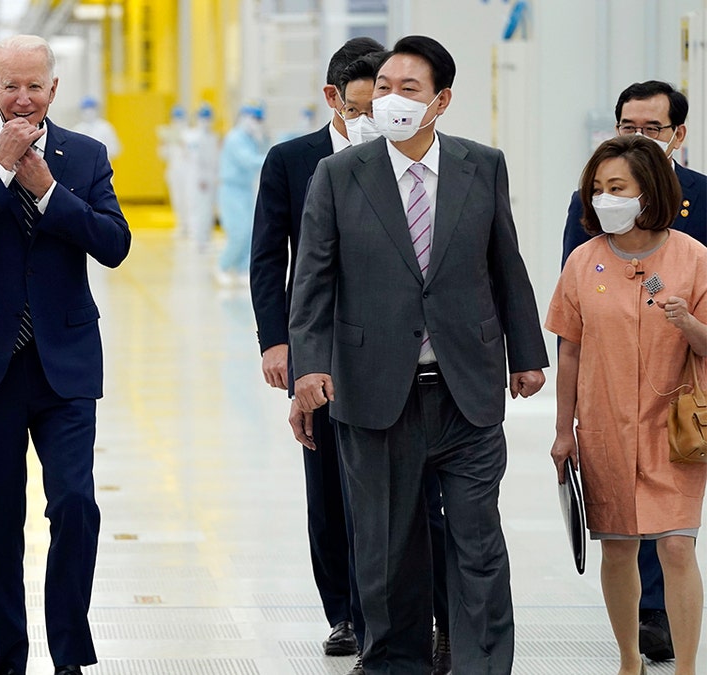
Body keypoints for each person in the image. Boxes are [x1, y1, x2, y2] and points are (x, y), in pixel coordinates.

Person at [288, 35, 548, 674]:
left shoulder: (481, 165)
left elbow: (505, 264)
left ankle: (482, 665)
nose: (390, 100)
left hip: (467, 387)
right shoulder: (339, 173)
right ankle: (394, 664)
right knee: (385, 548)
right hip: (375, 391)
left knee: (477, 544)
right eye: (382, 88)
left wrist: (527, 352)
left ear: (441, 101)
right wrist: (308, 367)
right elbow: (314, 278)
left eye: (408, 89)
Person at [0, 34, 130, 675]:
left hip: (63, 360)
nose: (21, 99)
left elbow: (114, 243)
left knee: (75, 504)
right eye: (9, 86)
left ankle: (69, 655)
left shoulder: (86, 155)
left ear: (52, 89)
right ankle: (8, 661)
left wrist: (46, 189)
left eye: (33, 86)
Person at [251, 40, 452, 675]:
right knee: (331, 488)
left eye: (389, 100)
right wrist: (277, 341)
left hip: (394, 351)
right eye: (365, 104)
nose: (378, 115)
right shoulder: (294, 160)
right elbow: (269, 258)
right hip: (320, 346)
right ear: (334, 98)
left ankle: (416, 617)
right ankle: (345, 610)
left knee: (410, 491)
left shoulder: (417, 157)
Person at [548, 133, 707, 675]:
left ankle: (686, 666)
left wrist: (688, 323)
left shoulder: (692, 257)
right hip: (603, 426)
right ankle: (628, 659)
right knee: (617, 548)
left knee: (678, 549)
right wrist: (562, 429)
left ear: (649, 192)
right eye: (597, 188)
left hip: (675, 429)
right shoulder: (583, 261)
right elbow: (568, 350)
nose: (603, 198)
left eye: (617, 187)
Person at [216, 103, 268, 286]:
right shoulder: (235, 138)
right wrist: (274, 159)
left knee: (249, 231)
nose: (257, 123)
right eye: (255, 119)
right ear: (245, 118)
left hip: (245, 190)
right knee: (238, 232)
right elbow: (248, 161)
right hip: (231, 190)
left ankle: (240, 269)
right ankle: (222, 266)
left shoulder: (250, 138)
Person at [183, 103, 219, 251]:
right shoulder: (193, 136)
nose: (206, 121)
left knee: (208, 209)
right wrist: (201, 178)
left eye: (208, 118)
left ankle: (205, 237)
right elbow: (195, 159)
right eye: (203, 118)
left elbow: (214, 158)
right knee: (198, 208)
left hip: (210, 178)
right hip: (198, 179)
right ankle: (198, 238)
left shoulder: (212, 137)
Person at [159, 104, 191, 235]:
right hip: (174, 171)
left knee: (189, 199)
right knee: (177, 199)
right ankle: (181, 224)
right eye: (175, 118)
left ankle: (190, 226)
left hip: (188, 172)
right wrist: (164, 144)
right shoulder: (169, 134)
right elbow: (163, 155)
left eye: (180, 118)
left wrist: (182, 144)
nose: (178, 121)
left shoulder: (190, 134)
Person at [72, 95, 122, 161]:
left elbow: (115, 149)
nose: (88, 113)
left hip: (102, 165)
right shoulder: (78, 129)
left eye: (91, 109)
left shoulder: (105, 127)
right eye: (85, 110)